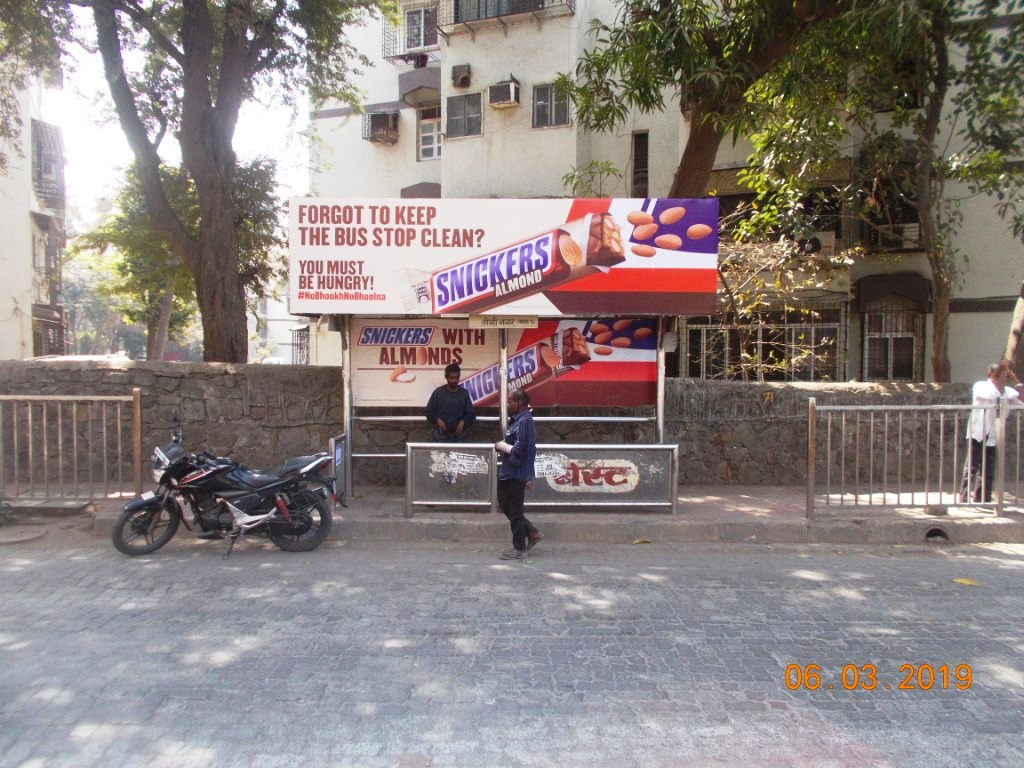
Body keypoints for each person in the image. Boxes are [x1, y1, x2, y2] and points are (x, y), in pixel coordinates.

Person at [963, 360, 1022, 503]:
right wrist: (1002, 387)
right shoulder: (981, 386)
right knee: (971, 466)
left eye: (1002, 377)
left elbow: (1021, 400)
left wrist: (1016, 381)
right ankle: (964, 496)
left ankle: (983, 497)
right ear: (990, 376)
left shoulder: (1008, 391)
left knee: (988, 469)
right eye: (997, 376)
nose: (1000, 380)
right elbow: (994, 396)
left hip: (994, 434)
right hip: (977, 432)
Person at [494, 389, 543, 559]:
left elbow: (521, 450)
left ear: (519, 403)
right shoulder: (517, 420)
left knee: (514, 510)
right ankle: (532, 532)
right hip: (508, 471)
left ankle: (519, 548)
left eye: (510, 401)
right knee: (505, 504)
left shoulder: (525, 422)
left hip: (516, 472)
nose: (507, 404)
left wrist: (502, 447)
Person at [425, 363, 476, 442]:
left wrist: (463, 422)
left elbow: (471, 414)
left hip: (459, 437)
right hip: (440, 436)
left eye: (456, 378)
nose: (453, 380)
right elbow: (428, 412)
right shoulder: (438, 393)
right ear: (446, 377)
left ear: (459, 377)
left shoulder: (464, 393)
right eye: (451, 378)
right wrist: (438, 420)